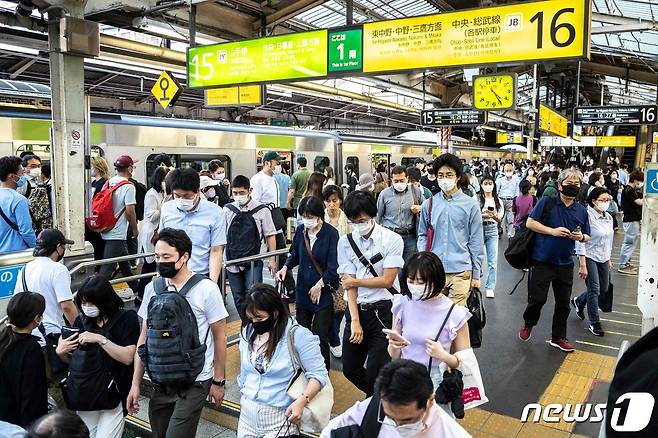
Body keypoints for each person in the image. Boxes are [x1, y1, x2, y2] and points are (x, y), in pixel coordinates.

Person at [128, 228, 228, 438]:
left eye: (166, 257)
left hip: (196, 380)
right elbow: (143, 339)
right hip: (162, 380)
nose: (160, 261)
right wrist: (135, 384)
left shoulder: (206, 289)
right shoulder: (152, 289)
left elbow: (220, 337)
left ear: (185, 257)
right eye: (157, 256)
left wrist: (219, 381)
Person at [237, 284, 328, 437]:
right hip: (247, 414)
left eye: (259, 318)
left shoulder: (298, 335)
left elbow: (318, 374)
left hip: (280, 416)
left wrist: (302, 400)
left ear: (275, 312)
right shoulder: (248, 332)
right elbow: (245, 370)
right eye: (250, 318)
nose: (254, 322)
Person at [55, 276, 140, 438]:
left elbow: (128, 357)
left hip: (113, 393)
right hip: (86, 393)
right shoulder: (82, 321)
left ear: (105, 300)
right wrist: (61, 351)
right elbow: (75, 361)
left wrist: (100, 339)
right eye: (83, 303)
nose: (87, 307)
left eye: (92, 303)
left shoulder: (126, 319)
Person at [338, 190, 404, 396]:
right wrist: (355, 321)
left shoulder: (392, 240)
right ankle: (382, 397)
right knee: (350, 369)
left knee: (377, 370)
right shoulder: (345, 242)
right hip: (357, 310)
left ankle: (374, 408)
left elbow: (387, 280)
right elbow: (349, 288)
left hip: (384, 312)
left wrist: (355, 281)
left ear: (373, 215)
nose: (358, 225)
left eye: (362, 220)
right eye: (353, 222)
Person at [519, 169, 590, 353]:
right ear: (559, 185)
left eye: (576, 184)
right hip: (542, 260)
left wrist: (580, 237)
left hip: (565, 263)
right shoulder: (547, 202)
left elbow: (587, 235)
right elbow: (530, 223)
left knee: (564, 303)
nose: (573, 187)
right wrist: (553, 231)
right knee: (538, 299)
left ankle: (558, 337)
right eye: (569, 183)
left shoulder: (581, 210)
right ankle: (529, 323)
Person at [321, 359, 470, 438]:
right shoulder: (374, 409)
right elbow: (329, 432)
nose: (397, 426)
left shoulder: (450, 433)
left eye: (407, 420)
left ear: (430, 401)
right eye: (390, 417)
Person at [387, 253, 471, 388]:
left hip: (436, 382)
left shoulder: (455, 313)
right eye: (410, 281)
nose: (415, 286)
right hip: (404, 377)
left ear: (436, 280)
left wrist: (443, 355)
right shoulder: (401, 304)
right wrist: (393, 345)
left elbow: (465, 362)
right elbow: (393, 355)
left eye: (421, 282)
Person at [277, 196, 339, 370]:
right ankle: (304, 372)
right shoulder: (300, 231)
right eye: (304, 216)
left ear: (319, 216)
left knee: (320, 337)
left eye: (310, 216)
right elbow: (294, 254)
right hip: (303, 291)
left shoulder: (331, 234)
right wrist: (285, 268)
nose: (307, 220)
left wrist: (320, 284)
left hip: (324, 294)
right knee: (302, 335)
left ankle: (323, 375)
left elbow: (334, 266)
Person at [418, 153, 484, 306]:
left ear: (458, 177)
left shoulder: (471, 205)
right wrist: (424, 258)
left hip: (461, 270)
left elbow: (476, 241)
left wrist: (476, 273)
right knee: (434, 318)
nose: (444, 179)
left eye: (449, 175)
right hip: (434, 271)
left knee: (456, 318)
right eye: (440, 175)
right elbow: (422, 234)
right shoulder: (428, 204)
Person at [14, 229, 79, 352]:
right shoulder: (58, 269)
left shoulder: (25, 268)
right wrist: (80, 329)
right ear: (58, 247)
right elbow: (66, 306)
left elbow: (18, 299)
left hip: (29, 334)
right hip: (51, 335)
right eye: (64, 246)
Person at [224, 175, 278, 320]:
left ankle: (255, 323)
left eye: (241, 193)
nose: (238, 196)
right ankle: (246, 323)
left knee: (254, 294)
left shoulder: (262, 210)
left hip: (254, 260)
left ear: (250, 190)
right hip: (231, 261)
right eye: (235, 193)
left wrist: (272, 259)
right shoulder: (227, 210)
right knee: (238, 296)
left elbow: (270, 235)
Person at [159, 167, 226, 282]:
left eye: (187, 196)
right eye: (177, 196)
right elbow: (162, 244)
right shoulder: (167, 208)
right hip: (172, 274)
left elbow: (216, 250)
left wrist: (212, 283)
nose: (181, 200)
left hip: (201, 275)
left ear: (198, 191)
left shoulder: (215, 212)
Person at [0, 292, 48, 427]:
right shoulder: (30, 349)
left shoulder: (4, 339)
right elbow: (32, 397)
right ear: (36, 318)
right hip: (17, 425)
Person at [571, 188, 614, 337]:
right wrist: (582, 263)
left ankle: (579, 301)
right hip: (588, 256)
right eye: (602, 200)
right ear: (593, 201)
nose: (606, 203)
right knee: (594, 289)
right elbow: (580, 240)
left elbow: (609, 239)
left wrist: (608, 258)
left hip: (602, 256)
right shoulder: (586, 215)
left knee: (604, 287)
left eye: (607, 200)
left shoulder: (608, 217)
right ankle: (594, 322)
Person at [98, 155, 139, 293]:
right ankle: (94, 295)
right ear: (129, 168)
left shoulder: (108, 182)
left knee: (124, 262)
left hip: (105, 228)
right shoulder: (128, 186)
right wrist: (135, 229)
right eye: (132, 166)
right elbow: (130, 211)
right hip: (117, 232)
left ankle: (135, 288)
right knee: (106, 271)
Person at [322, 185, 351, 359]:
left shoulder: (347, 219)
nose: (332, 204)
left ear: (340, 200)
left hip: (343, 269)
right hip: (324, 269)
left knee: (340, 306)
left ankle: (333, 338)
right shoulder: (320, 219)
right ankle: (332, 339)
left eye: (335, 200)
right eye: (328, 201)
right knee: (327, 306)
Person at [376, 166, 422, 263]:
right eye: (396, 181)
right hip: (391, 235)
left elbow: (426, 208)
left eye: (402, 180)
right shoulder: (384, 194)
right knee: (393, 266)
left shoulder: (415, 191)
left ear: (407, 179)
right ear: (391, 180)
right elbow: (378, 217)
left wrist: (419, 208)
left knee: (410, 266)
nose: (399, 184)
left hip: (410, 236)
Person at [136, 166, 168, 302]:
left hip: (157, 233)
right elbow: (151, 216)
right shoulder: (151, 194)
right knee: (149, 266)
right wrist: (165, 208)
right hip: (151, 234)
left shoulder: (161, 193)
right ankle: (141, 294)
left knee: (153, 265)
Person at [0, 155, 36, 253]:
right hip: (16, 254)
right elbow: (26, 231)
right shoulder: (18, 200)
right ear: (12, 176)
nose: (23, 177)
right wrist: (36, 249)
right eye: (21, 173)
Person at [479, 176, 504, 298]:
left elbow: (499, 218)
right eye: (485, 183)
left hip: (492, 229)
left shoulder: (498, 200)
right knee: (476, 258)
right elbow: (472, 215)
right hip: (478, 229)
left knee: (492, 261)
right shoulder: (476, 199)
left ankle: (490, 287)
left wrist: (493, 216)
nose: (488, 185)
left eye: (490, 183)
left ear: (494, 185)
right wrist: (482, 214)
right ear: (481, 185)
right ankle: (476, 280)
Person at [86, 157, 111, 267]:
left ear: (98, 167)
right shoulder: (94, 183)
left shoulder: (104, 183)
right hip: (91, 216)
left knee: (99, 245)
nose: (90, 169)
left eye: (92, 166)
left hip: (98, 217)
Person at [618, 170, 644, 275]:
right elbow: (639, 202)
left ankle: (627, 262)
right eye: (641, 181)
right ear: (636, 180)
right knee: (629, 242)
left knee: (632, 242)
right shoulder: (629, 190)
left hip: (632, 219)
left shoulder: (629, 190)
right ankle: (623, 264)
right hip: (631, 219)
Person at [19, 154, 52, 234]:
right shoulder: (23, 183)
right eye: (33, 166)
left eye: (38, 166)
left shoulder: (38, 182)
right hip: (30, 223)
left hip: (41, 223)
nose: (37, 169)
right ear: (24, 168)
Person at [496, 163, 521, 239]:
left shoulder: (516, 179)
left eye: (510, 170)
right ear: (504, 171)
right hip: (501, 199)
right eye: (507, 170)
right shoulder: (500, 179)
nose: (508, 172)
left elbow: (517, 189)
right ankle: (499, 230)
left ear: (513, 170)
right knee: (500, 216)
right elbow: (497, 190)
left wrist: (516, 198)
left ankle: (510, 234)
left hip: (511, 200)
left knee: (510, 217)